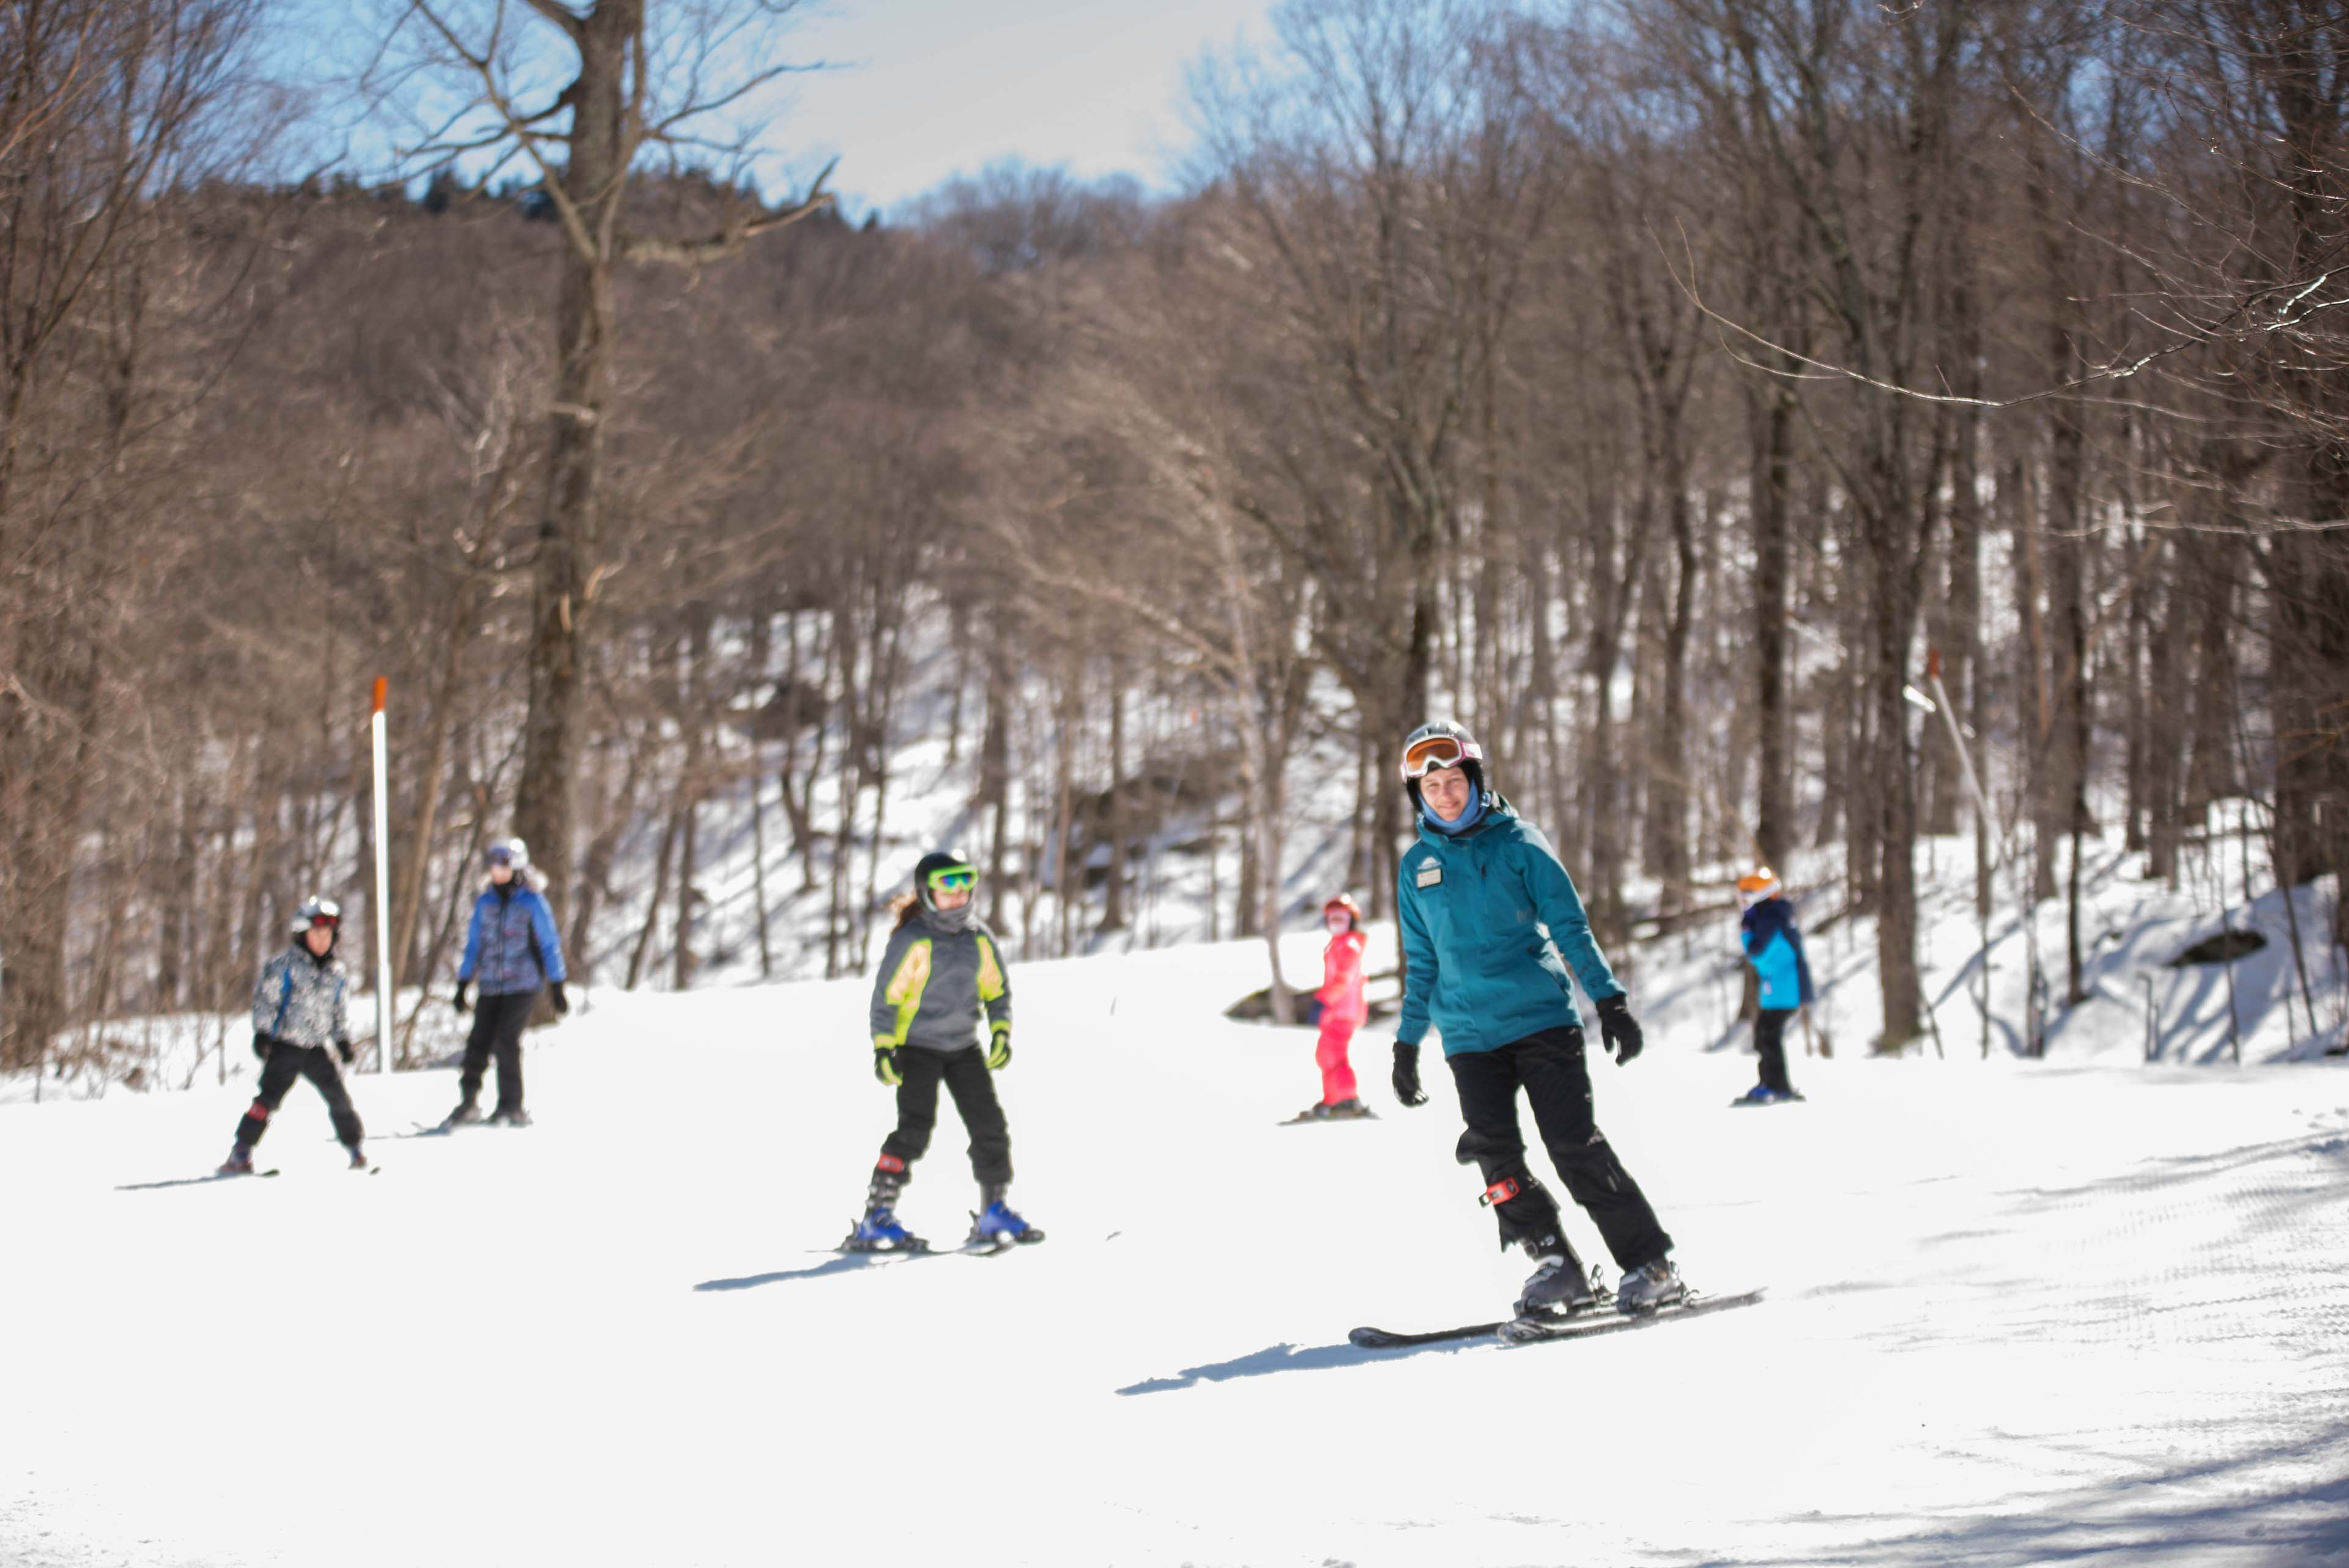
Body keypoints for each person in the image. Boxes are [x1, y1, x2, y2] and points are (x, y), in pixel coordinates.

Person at [1387, 720, 1687, 1321]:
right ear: (1418, 797)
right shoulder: (1416, 866)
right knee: (1493, 1155)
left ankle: (1650, 1265)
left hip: (1539, 1021)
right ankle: (1556, 1265)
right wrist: (1406, 1044)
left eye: (1453, 782)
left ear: (1474, 780)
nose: (1445, 796)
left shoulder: (1520, 844)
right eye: (1431, 788)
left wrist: (1610, 1000)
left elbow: (1570, 927)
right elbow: (1421, 963)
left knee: (1573, 1144)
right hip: (1469, 1037)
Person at [844, 850, 1042, 1254]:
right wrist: (884, 1048)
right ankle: (876, 1216)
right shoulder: (913, 940)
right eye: (946, 887)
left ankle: (994, 1210)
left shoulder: (978, 938)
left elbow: (996, 989)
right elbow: (887, 998)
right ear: (926, 893)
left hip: (963, 1046)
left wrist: (1001, 1031)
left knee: (989, 1124)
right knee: (914, 1129)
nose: (957, 895)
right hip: (917, 1048)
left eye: (963, 885)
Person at [220, 897, 367, 1174]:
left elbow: (339, 1010)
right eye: (316, 935)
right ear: (302, 934)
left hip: (316, 1049)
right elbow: (266, 1000)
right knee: (267, 1099)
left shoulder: (337, 973)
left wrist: (343, 1039)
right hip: (286, 1046)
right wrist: (263, 1033)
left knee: (339, 1098)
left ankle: (356, 1149)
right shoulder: (285, 966)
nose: (323, 941)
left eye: (328, 935)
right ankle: (241, 1152)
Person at [447, 838, 568, 1129]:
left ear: (517, 866)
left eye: (503, 864)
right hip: (490, 983)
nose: (496, 870)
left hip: (523, 984)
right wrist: (463, 983)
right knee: (478, 1041)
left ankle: (511, 1106)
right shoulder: (485, 902)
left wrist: (557, 984)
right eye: (493, 864)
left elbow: (550, 943)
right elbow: (474, 944)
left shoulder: (532, 901)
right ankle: (469, 1101)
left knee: (506, 1040)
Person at [1736, 866, 1815, 1105]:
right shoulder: (1772, 914)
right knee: (1765, 1032)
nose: (1742, 901)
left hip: (1785, 988)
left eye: (1746, 895)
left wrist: (1747, 932)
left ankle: (1776, 1086)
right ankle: (1771, 1083)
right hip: (1780, 988)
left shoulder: (1771, 917)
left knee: (1768, 1034)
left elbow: (1757, 953)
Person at [1291, 893, 1373, 1121]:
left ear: (1352, 921)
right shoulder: (1339, 944)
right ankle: (1335, 1098)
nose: (1336, 924)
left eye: (1341, 919)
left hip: (1343, 1009)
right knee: (1327, 1053)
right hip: (1336, 1010)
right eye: (1332, 919)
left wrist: (1324, 1001)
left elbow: (1343, 979)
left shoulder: (1350, 945)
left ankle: (1345, 1099)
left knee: (1331, 1052)